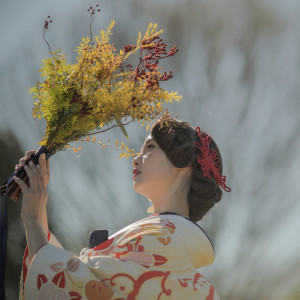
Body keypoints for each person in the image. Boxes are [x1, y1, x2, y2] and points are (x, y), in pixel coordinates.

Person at [14, 116, 231, 300]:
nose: (135, 160)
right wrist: (37, 210)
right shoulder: (167, 241)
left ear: (185, 166)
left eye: (150, 147)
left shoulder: (162, 237)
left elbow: (84, 286)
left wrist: (33, 219)